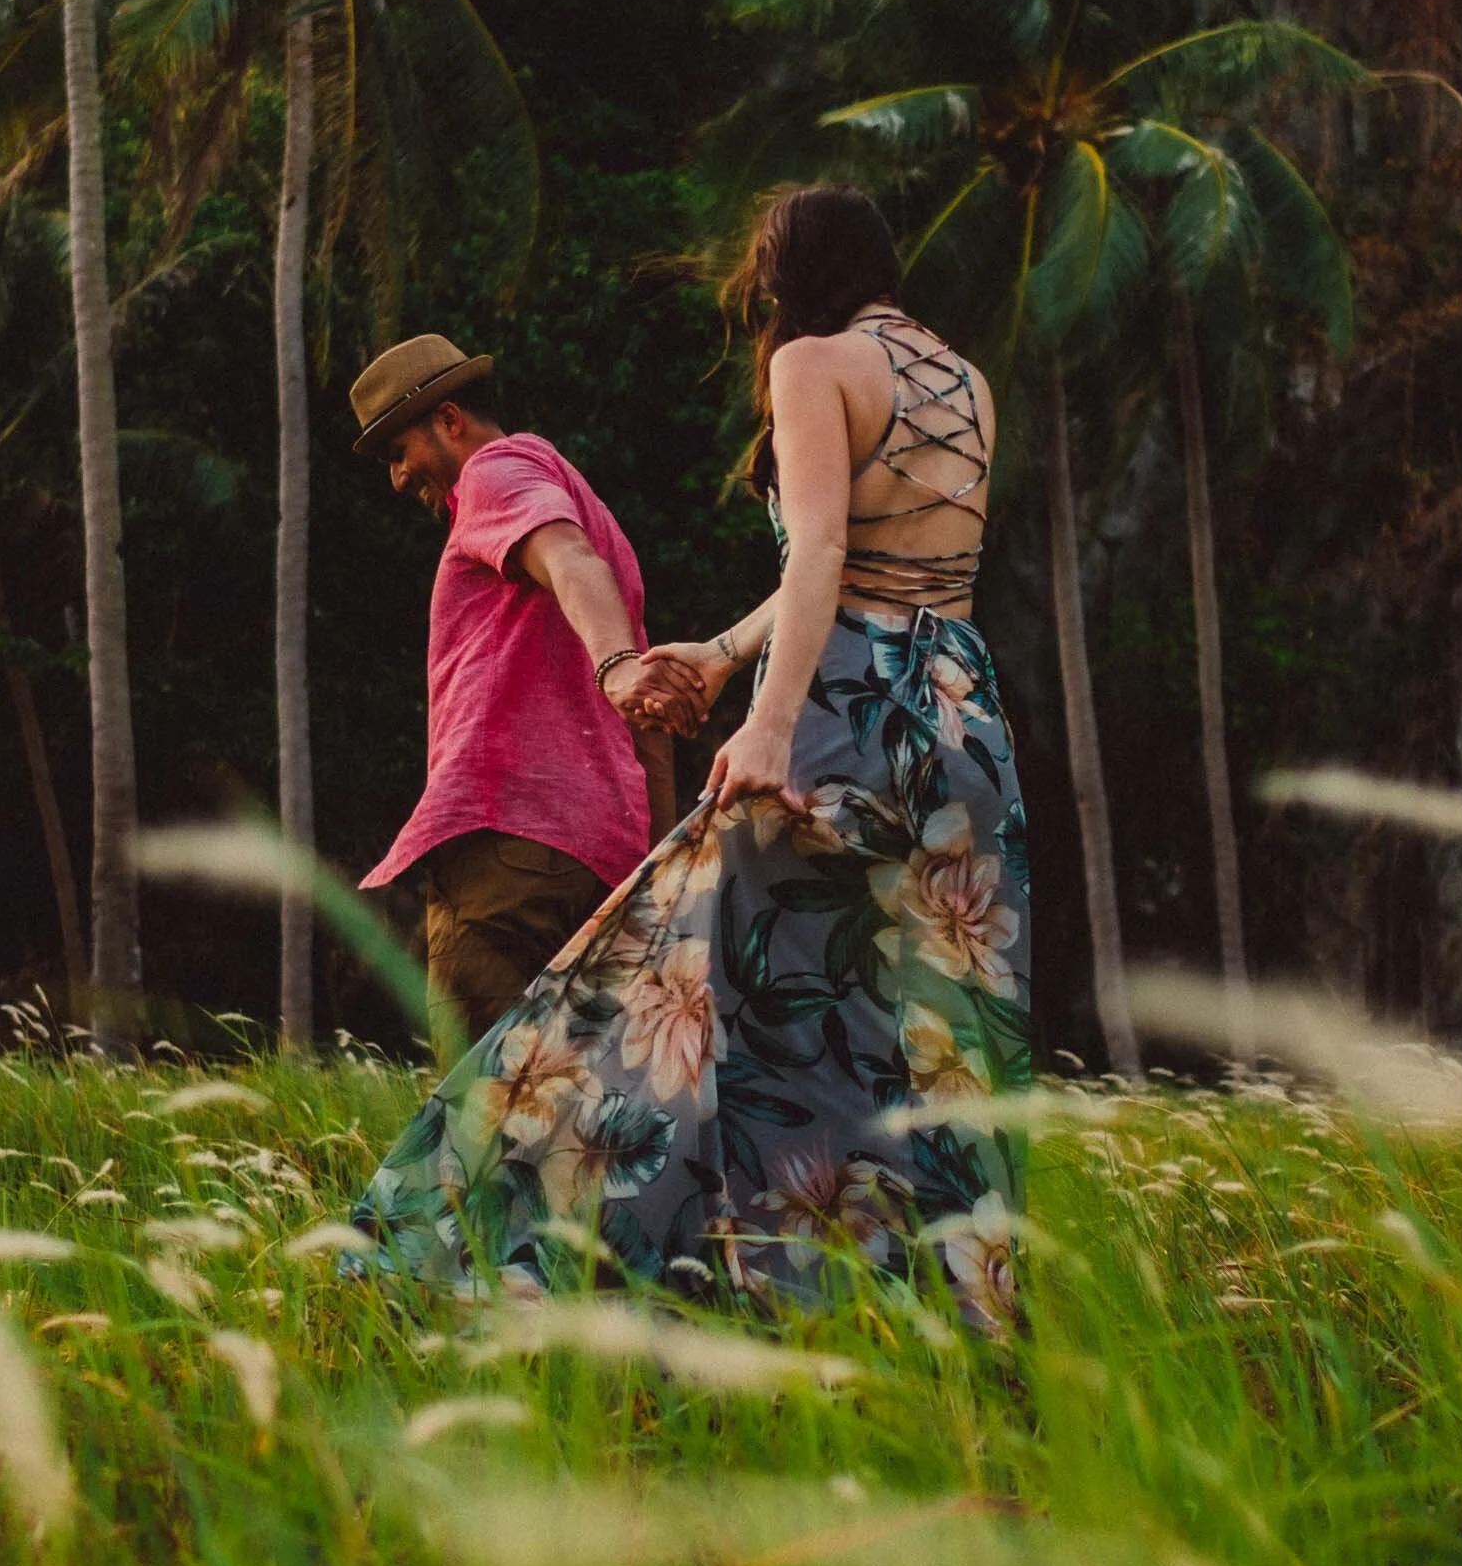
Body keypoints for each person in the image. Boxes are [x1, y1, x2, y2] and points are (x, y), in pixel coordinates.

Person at [351, 189, 1033, 1330]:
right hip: (961, 715)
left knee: (677, 992)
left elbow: (819, 553)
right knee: (934, 1024)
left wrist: (764, 721)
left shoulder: (813, 363)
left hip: (845, 709)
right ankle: (947, 1304)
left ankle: (547, 1266)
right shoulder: (964, 384)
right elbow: (883, 567)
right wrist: (717, 657)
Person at [351, 333, 705, 1057]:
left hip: (508, 855)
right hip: (596, 867)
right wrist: (657, 874)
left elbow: (568, 565)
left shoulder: (494, 475)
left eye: (398, 451)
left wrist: (612, 667)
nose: (397, 478)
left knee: (483, 1134)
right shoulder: (591, 515)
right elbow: (649, 721)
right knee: (581, 1137)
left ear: (450, 420)